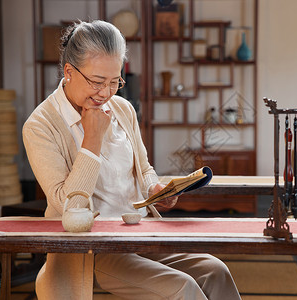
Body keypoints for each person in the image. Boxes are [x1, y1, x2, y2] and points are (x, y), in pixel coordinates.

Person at [23, 20, 241, 300]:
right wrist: (92, 139)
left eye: (115, 81)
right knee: (182, 287)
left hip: (140, 231)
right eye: (97, 82)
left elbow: (145, 168)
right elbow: (69, 207)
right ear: (69, 72)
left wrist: (153, 189)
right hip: (96, 249)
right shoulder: (41, 125)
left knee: (215, 270)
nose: (106, 93)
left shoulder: (122, 109)